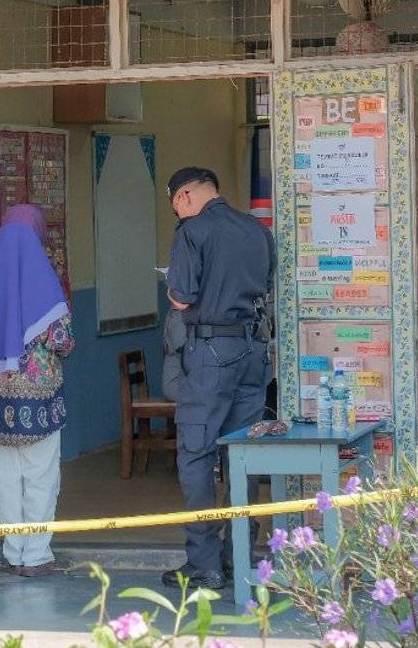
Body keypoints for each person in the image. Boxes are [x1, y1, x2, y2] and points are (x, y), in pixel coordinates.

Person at [160, 167, 274, 591]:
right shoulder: (256, 230)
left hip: (209, 354)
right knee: (242, 455)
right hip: (252, 351)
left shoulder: (193, 232)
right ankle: (238, 557)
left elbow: (181, 296)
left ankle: (203, 563)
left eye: (175, 204)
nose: (178, 212)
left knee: (196, 454)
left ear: (186, 195)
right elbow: (265, 285)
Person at [0, 204, 74, 577]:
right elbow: (63, 341)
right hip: (39, 401)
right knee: (41, 476)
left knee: (6, 477)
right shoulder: (44, 281)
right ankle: (37, 556)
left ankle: (13, 553)